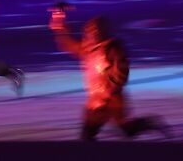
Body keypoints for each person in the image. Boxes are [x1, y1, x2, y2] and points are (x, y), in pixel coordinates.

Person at [49, 9, 171, 141]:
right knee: (122, 131)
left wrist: (109, 93)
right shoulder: (87, 49)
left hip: (110, 100)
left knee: (92, 135)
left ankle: (149, 123)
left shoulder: (113, 49)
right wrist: (59, 23)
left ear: (102, 31)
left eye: (94, 30)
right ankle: (149, 123)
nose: (91, 33)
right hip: (96, 100)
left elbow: (121, 74)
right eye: (89, 30)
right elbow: (67, 45)